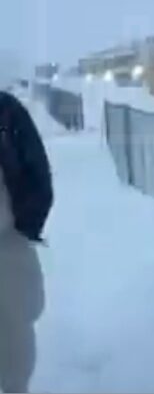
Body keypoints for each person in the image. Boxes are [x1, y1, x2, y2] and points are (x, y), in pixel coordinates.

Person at [0, 91, 52, 393]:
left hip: (7, 242)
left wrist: (27, 222)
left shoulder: (6, 111)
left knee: (17, 320)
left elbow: (37, 171)